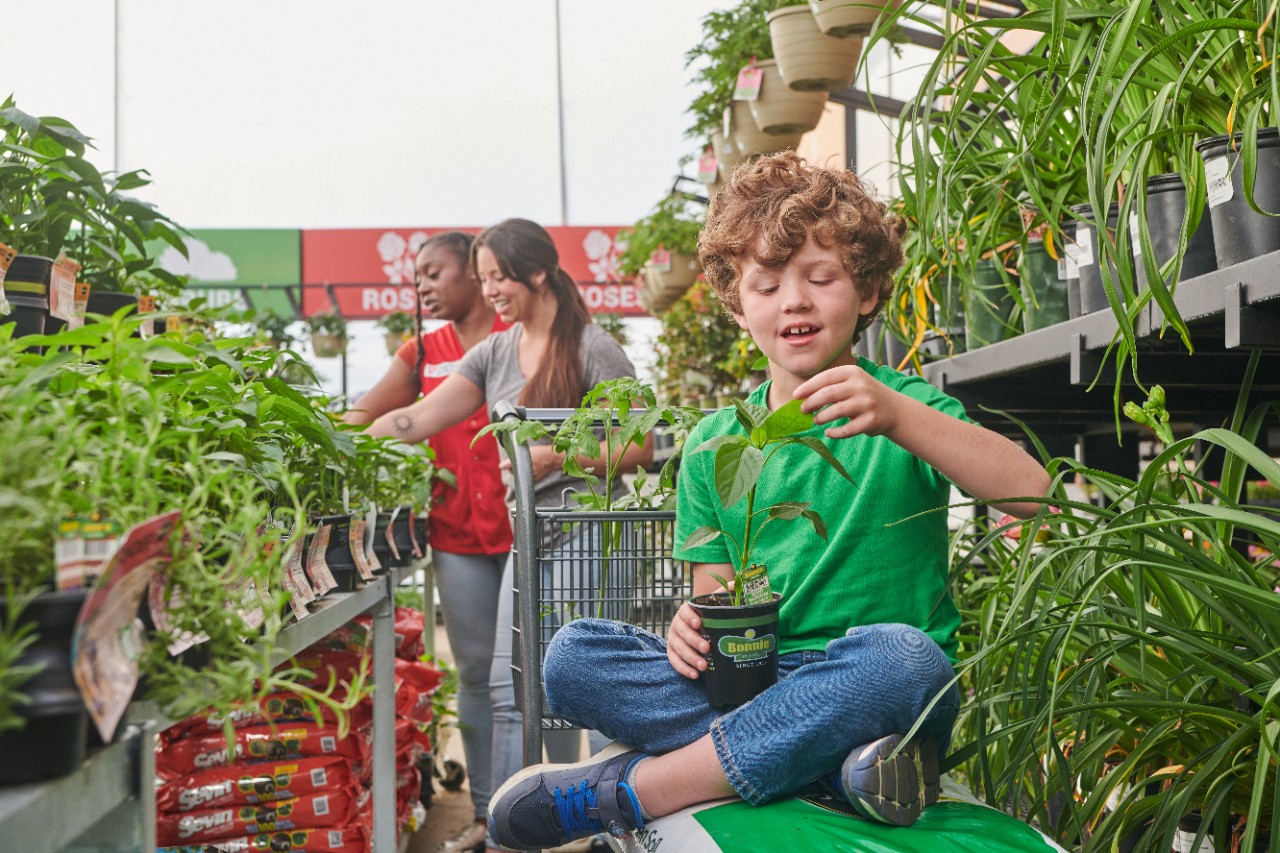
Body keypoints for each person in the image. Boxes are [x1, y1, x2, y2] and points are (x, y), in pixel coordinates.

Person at [486, 152, 1052, 850]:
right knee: (574, 655)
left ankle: (637, 788)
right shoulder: (714, 444)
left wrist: (899, 416)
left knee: (908, 662)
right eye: (768, 283)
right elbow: (718, 597)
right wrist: (692, 627)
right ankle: (835, 768)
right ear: (737, 304)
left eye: (821, 277)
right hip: (758, 681)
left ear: (868, 290)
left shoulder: (908, 410)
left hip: (874, 686)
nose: (795, 301)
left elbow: (1034, 496)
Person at [364, 218, 652, 852]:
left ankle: (606, 822)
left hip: (587, 531)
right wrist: (351, 435)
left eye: (498, 277)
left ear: (538, 273)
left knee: (584, 682)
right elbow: (421, 415)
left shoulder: (592, 348)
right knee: (505, 684)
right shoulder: (494, 353)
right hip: (531, 534)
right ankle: (505, 828)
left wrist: (556, 455)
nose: (490, 289)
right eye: (484, 277)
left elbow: (640, 443)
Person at [344, 231, 512, 853]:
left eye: (433, 273)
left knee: (538, 672)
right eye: (416, 277)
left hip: (529, 530)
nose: (422, 287)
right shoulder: (421, 352)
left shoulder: (522, 336)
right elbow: (364, 416)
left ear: (475, 272)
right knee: (475, 671)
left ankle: (557, 804)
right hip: (458, 535)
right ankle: (488, 811)